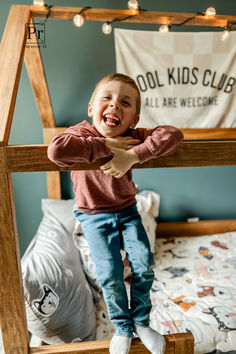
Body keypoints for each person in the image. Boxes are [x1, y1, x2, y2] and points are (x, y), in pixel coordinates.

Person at [47, 73, 183, 354]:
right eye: (106, 98)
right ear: (91, 108)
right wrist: (105, 146)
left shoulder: (133, 139)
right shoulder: (81, 134)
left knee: (143, 264)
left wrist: (133, 156)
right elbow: (56, 150)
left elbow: (173, 135)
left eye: (125, 102)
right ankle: (122, 327)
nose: (114, 105)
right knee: (110, 273)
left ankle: (142, 321)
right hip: (92, 215)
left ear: (134, 119)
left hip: (127, 210)